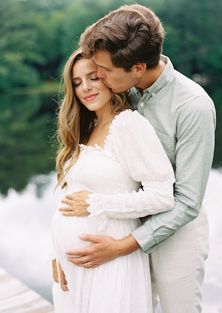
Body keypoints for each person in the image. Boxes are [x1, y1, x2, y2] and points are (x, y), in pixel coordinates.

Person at [61, 4, 216, 313]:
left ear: (137, 68)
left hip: (176, 234)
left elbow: (187, 201)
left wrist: (123, 245)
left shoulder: (193, 106)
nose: (98, 77)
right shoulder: (121, 91)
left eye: (103, 71)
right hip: (122, 224)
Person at [51, 48, 175, 313]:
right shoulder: (84, 129)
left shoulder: (129, 125)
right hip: (73, 269)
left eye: (93, 77)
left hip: (110, 261)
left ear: (108, 77)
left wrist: (96, 203)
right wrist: (55, 254)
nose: (85, 88)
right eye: (77, 83)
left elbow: (162, 196)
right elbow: (66, 197)